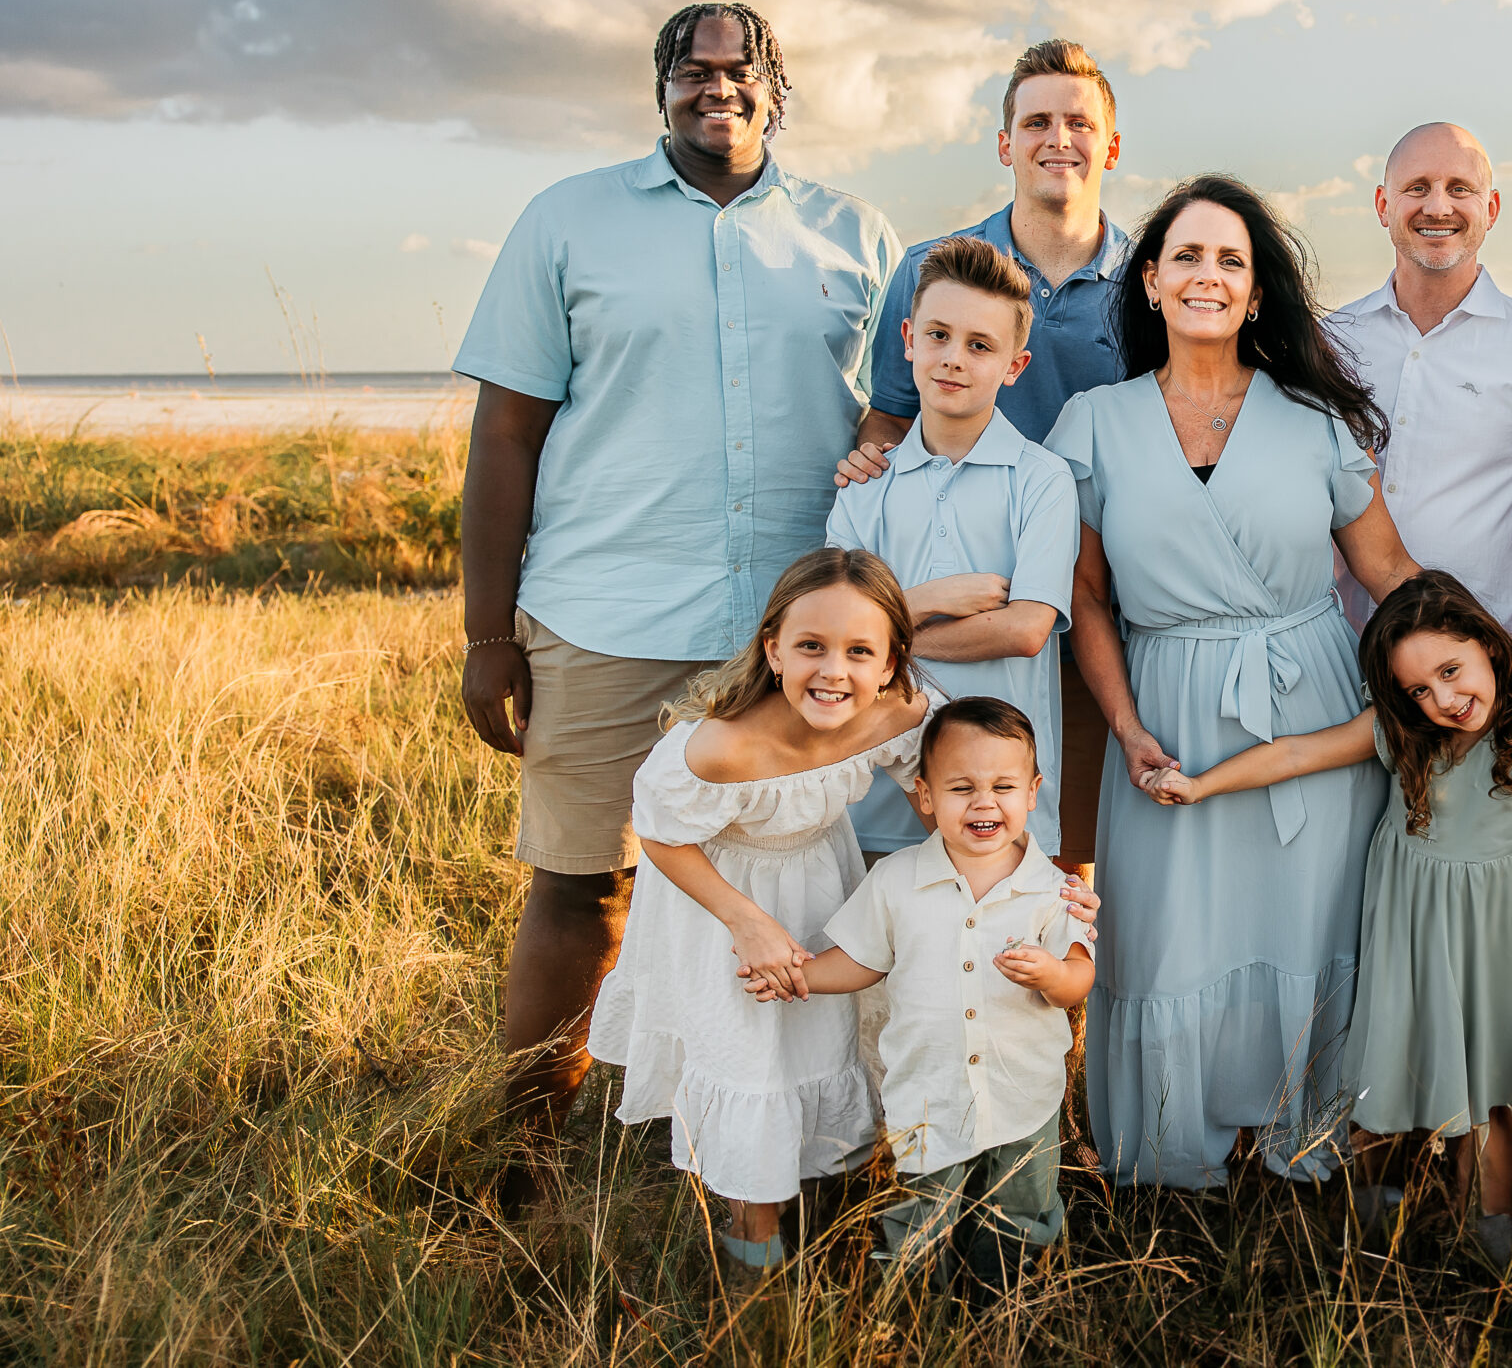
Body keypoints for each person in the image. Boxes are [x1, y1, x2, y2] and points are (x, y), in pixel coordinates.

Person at [452, 3, 900, 1159]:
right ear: (658, 86)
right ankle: (527, 1143)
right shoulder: (566, 222)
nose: (719, 85)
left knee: (806, 885)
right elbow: (504, 433)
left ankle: (790, 1139)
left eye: (742, 68)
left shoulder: (857, 236)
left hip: (792, 638)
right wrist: (485, 636)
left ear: (776, 91)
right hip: (607, 612)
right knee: (580, 886)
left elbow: (901, 420)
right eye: (693, 68)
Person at [1044, 174, 1421, 1188]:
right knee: (1168, 937)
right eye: (1188, 257)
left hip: (1311, 702)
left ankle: (1307, 1143)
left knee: (1304, 925)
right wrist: (1123, 727)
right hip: (1162, 708)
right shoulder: (1092, 422)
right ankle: (1169, 1157)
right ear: (1153, 282)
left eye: (1231, 260)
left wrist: (1477, 661)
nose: (1208, 275)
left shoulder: (1313, 422)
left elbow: (1386, 572)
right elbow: (1085, 599)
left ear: (1257, 295)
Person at [1144, 569, 1512, 1263]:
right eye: (1420, 688)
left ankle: (1491, 1246)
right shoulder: (1404, 730)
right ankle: (1372, 1239)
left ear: (1487, 640)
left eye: (1451, 671)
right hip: (1406, 929)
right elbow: (1300, 752)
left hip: (1490, 939)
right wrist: (1203, 783)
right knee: (1383, 1073)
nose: (1444, 699)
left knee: (1489, 1092)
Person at [583, 548, 933, 1283]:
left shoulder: (899, 713)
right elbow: (661, 834)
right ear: (773, 648)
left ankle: (828, 1213)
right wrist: (745, 921)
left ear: (892, 661)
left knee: (823, 1038)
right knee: (751, 1062)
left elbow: (932, 798)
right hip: (720, 898)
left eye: (858, 651)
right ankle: (754, 1276)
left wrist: (990, 887)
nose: (833, 672)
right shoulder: (723, 745)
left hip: (821, 880)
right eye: (810, 646)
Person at [839, 39, 1130, 868]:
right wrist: (868, 464)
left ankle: (1050, 996)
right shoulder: (937, 270)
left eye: (1079, 122)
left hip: (1101, 603)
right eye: (1036, 120)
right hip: (955, 595)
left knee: (1062, 850)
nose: (1058, 138)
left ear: (1109, 147)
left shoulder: (1148, 280)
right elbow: (891, 417)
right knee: (916, 844)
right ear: (1006, 144)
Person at [747, 696, 1094, 1297]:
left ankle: (1003, 1303)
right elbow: (859, 962)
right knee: (918, 1212)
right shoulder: (897, 879)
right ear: (926, 795)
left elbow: (1077, 981)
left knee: (1022, 1210)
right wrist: (798, 975)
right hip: (926, 1093)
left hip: (1023, 1093)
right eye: (962, 788)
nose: (984, 802)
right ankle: (907, 1309)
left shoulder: (1053, 889)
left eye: (1003, 786)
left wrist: (1050, 975)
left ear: (1033, 792)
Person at [826, 237, 1080, 859]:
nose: (953, 360)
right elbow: (827, 635)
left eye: (980, 346)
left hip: (1002, 818)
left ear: (1013, 366)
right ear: (908, 338)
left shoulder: (1042, 479)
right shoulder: (866, 485)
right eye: (938, 336)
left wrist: (880, 640)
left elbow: (1023, 630)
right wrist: (932, 600)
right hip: (872, 806)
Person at [1328, 123, 1512, 677]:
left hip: (1478, 683)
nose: (1438, 206)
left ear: (1491, 207)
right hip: (1338, 664)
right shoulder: (1331, 343)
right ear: (1383, 204)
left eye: (1459, 188)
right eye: (1417, 187)